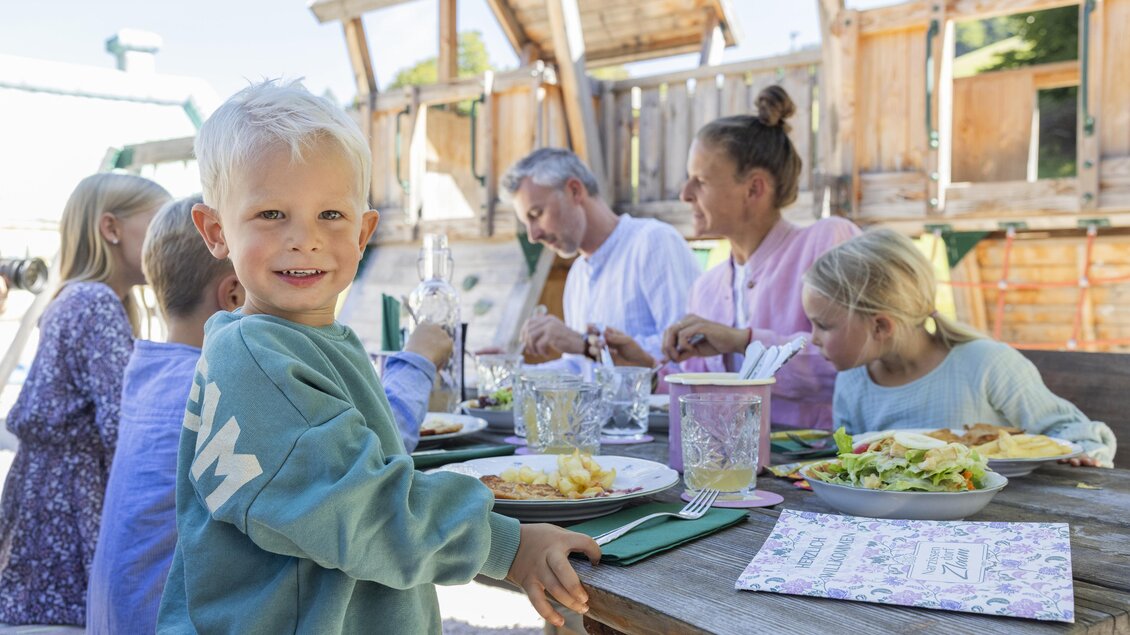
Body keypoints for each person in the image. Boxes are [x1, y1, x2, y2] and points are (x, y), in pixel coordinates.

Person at [157, 80, 598, 632]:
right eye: (271, 214)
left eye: (331, 216)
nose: (306, 239)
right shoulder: (257, 359)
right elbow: (357, 508)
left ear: (364, 231)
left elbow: (366, 465)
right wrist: (507, 545)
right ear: (217, 231)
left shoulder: (303, 343)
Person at [602, 86, 860, 430]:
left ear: (754, 188)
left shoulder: (828, 242)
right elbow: (700, 394)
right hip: (727, 467)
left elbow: (855, 366)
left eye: (701, 181)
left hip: (816, 467)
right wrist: (645, 370)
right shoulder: (706, 287)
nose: (684, 194)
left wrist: (742, 341)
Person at [0, 173, 171, 626]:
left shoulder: (81, 300)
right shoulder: (94, 304)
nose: (169, 240)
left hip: (46, 500)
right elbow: (127, 426)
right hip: (70, 507)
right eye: (158, 226)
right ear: (111, 229)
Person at [802, 228, 1116, 467]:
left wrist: (1083, 453)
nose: (812, 337)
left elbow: (1072, 430)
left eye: (824, 325)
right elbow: (852, 460)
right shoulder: (852, 381)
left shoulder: (987, 364)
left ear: (881, 326)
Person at [501, 147, 701, 371]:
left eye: (536, 214)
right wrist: (510, 371)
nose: (533, 235)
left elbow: (691, 353)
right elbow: (581, 370)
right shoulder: (577, 274)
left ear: (575, 191)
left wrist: (584, 345)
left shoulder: (653, 242)